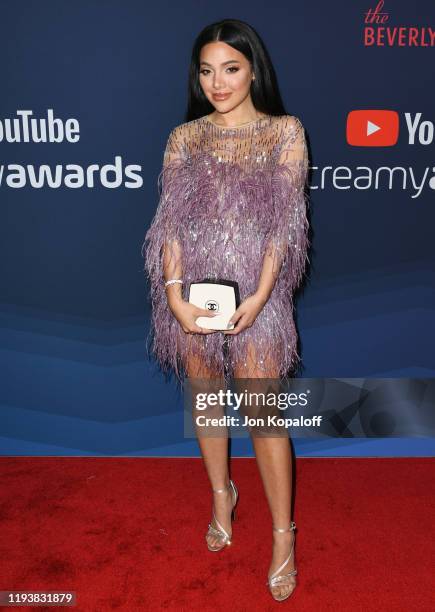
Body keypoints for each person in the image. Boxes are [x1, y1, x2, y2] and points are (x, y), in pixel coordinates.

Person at [142, 18, 310, 602]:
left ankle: (284, 535)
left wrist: (263, 296)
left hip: (259, 296)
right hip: (193, 295)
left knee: (265, 418)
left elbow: (283, 229)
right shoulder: (184, 138)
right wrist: (172, 294)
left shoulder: (285, 132)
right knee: (207, 403)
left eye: (231, 68)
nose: (218, 82)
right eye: (207, 70)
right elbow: (170, 227)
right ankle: (222, 496)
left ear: (254, 69)